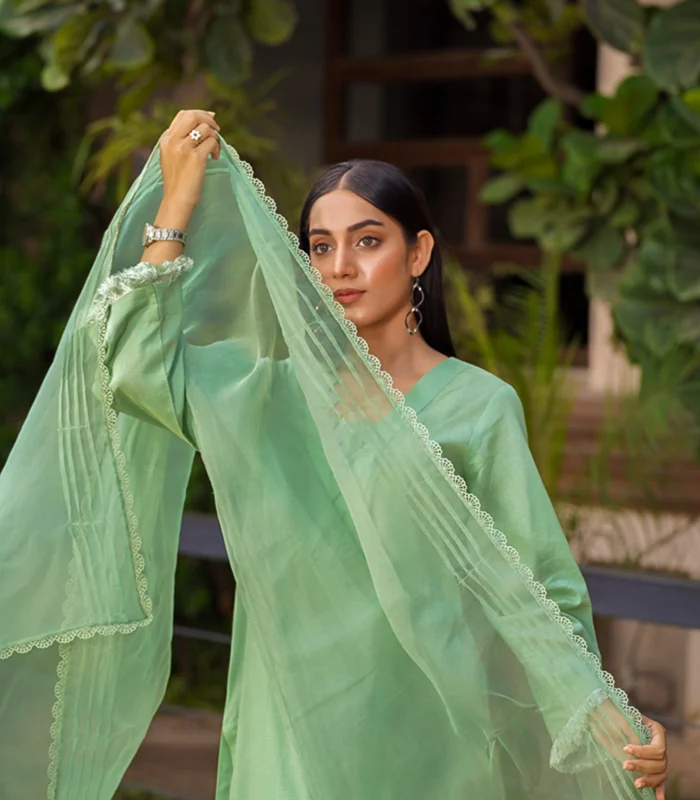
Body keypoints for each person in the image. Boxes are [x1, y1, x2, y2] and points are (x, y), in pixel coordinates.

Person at [0, 109, 667, 799]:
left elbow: (539, 586)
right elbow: (138, 366)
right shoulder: (269, 397)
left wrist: (609, 719)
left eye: (367, 240)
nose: (340, 266)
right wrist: (176, 204)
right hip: (287, 732)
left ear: (419, 253)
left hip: (429, 743)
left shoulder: (477, 406)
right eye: (320, 247)